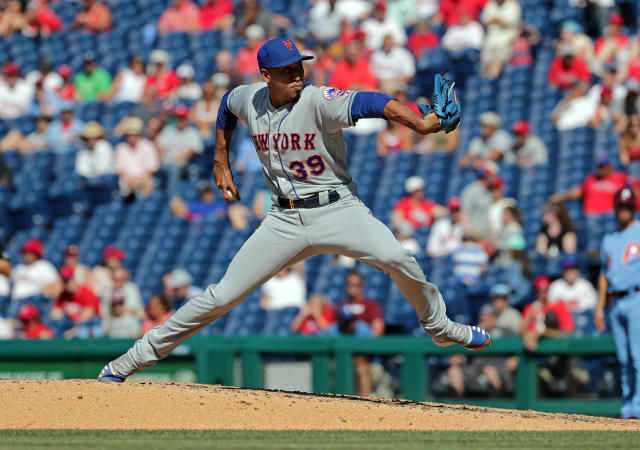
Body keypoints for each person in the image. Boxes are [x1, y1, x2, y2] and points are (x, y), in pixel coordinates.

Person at [98, 38, 487, 384]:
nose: (297, 75)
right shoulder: (249, 97)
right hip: (283, 219)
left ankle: (439, 326)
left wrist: (417, 123)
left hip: (338, 209)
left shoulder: (317, 100)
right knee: (220, 296)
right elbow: (226, 106)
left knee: (396, 257)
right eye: (287, 71)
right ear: (266, 75)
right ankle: (130, 360)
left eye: (299, 67)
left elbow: (372, 102)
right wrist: (220, 158)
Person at [595, 187, 640, 419]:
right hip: (616, 302)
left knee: (638, 357)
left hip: (636, 298)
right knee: (624, 360)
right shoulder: (609, 239)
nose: (624, 209)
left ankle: (638, 406)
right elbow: (604, 273)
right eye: (621, 206)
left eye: (628, 206)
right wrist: (600, 306)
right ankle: (628, 407)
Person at [336, 272, 385, 397]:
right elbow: (331, 331)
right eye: (349, 284)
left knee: (362, 366)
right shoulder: (341, 306)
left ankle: (365, 404)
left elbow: (376, 333)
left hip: (368, 359)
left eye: (355, 285)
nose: (351, 287)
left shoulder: (371, 305)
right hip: (344, 357)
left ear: (361, 286)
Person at [550, 152, 640, 219]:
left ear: (610, 165)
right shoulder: (591, 178)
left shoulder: (620, 178)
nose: (601, 168)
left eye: (604, 165)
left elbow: (635, 191)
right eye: (600, 165)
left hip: (610, 218)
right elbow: (578, 191)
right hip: (590, 217)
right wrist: (560, 196)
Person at [157, 105, 204, 195]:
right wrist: (161, 160)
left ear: (187, 119)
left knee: (174, 168)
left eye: (182, 118)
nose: (180, 120)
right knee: (171, 166)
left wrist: (181, 158)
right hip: (167, 162)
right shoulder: (168, 130)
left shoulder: (192, 132)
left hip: (184, 163)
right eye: (178, 118)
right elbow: (160, 147)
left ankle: (172, 196)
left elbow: (193, 150)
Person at [521, 275, 575, 351]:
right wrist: (530, 315)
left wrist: (541, 333)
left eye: (546, 291)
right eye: (539, 291)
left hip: (556, 350)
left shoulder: (559, 306)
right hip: (533, 351)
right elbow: (521, 332)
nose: (543, 295)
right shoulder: (529, 308)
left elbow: (567, 333)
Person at [49, 265, 101, 338]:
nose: (68, 285)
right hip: (71, 324)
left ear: (74, 279)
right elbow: (55, 314)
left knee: (85, 332)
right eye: (65, 282)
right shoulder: (63, 295)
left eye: (69, 281)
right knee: (56, 327)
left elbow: (88, 315)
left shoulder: (86, 292)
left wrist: (74, 330)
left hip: (88, 324)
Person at [114, 117, 160, 198]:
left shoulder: (148, 146)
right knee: (122, 185)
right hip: (127, 180)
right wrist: (130, 179)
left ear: (139, 134)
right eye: (129, 134)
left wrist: (138, 179)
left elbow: (152, 168)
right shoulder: (121, 148)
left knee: (147, 183)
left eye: (134, 134)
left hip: (144, 179)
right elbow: (120, 169)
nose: (132, 137)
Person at [480, 0, 522, 79]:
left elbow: (506, 23)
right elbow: (485, 22)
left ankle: (492, 80)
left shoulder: (513, 4)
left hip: (507, 36)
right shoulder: (491, 4)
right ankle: (487, 80)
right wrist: (498, 20)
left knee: (498, 58)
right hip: (491, 36)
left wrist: (494, 20)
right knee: (485, 60)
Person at [10, 239, 60, 303]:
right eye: (25, 253)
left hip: (34, 302)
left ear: (36, 253)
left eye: (30, 253)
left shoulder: (44, 266)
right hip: (15, 302)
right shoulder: (20, 267)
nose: (26, 255)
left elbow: (57, 285)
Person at [460, 164, 496, 238]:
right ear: (486, 176)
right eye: (492, 175)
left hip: (485, 236)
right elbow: (465, 213)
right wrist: (468, 233)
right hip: (474, 234)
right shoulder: (471, 190)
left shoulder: (489, 193)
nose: (494, 178)